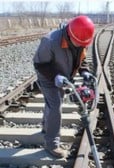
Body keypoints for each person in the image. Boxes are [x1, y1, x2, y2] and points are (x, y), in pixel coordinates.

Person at [33, 15, 95, 158]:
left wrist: (84, 71)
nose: (80, 45)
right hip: (48, 77)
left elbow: (81, 58)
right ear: (69, 33)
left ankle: (45, 126)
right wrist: (55, 76)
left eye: (82, 44)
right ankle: (52, 144)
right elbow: (39, 64)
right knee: (55, 105)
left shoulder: (80, 41)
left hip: (64, 77)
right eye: (78, 42)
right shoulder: (50, 41)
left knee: (52, 102)